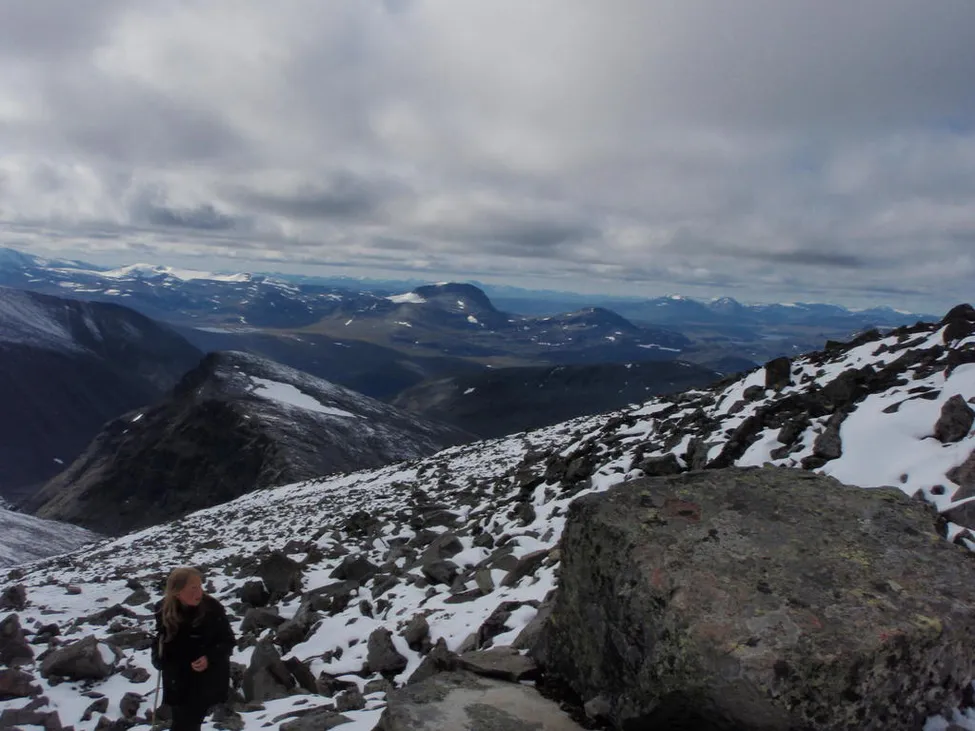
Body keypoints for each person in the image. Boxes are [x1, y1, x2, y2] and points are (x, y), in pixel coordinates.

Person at [151, 567, 236, 731]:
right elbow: (161, 642)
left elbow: (228, 641)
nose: (200, 592)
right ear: (177, 592)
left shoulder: (212, 608)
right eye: (193, 588)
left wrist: (209, 658)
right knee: (184, 723)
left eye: (200, 586)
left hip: (206, 680)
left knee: (187, 723)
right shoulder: (164, 610)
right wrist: (160, 658)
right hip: (179, 680)